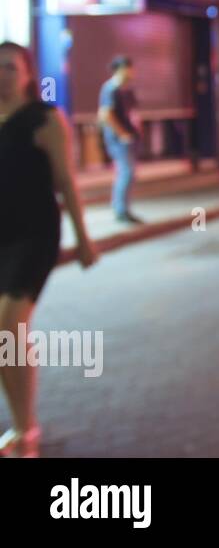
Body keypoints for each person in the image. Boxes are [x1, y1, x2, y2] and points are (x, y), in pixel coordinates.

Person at [0, 42, 99, 457]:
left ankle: (27, 430)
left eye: (10, 67)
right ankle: (21, 423)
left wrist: (82, 237)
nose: (2, 74)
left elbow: (66, 182)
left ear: (26, 73)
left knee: (9, 325)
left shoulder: (45, 119)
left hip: (35, 235)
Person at [98, 55, 142, 224]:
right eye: (127, 68)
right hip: (119, 140)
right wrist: (122, 133)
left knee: (129, 174)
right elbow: (106, 114)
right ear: (118, 69)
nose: (131, 71)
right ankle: (120, 210)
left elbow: (133, 113)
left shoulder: (127, 89)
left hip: (131, 137)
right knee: (126, 172)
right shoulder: (110, 89)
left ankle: (124, 208)